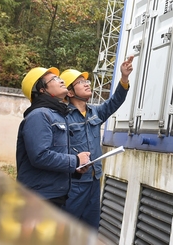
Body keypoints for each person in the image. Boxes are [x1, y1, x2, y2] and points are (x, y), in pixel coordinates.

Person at [60, 56, 133, 228]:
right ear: (70, 92)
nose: (87, 84)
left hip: (94, 180)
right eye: (80, 82)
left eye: (86, 80)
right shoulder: (63, 117)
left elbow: (115, 102)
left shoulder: (95, 112)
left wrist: (124, 78)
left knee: (90, 229)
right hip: (74, 183)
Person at [16, 67, 91, 208]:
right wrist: (75, 160)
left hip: (55, 195)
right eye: (54, 79)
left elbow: (56, 156)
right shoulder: (39, 115)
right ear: (42, 90)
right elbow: (40, 156)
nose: (61, 80)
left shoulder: (57, 115)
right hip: (39, 198)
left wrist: (76, 167)